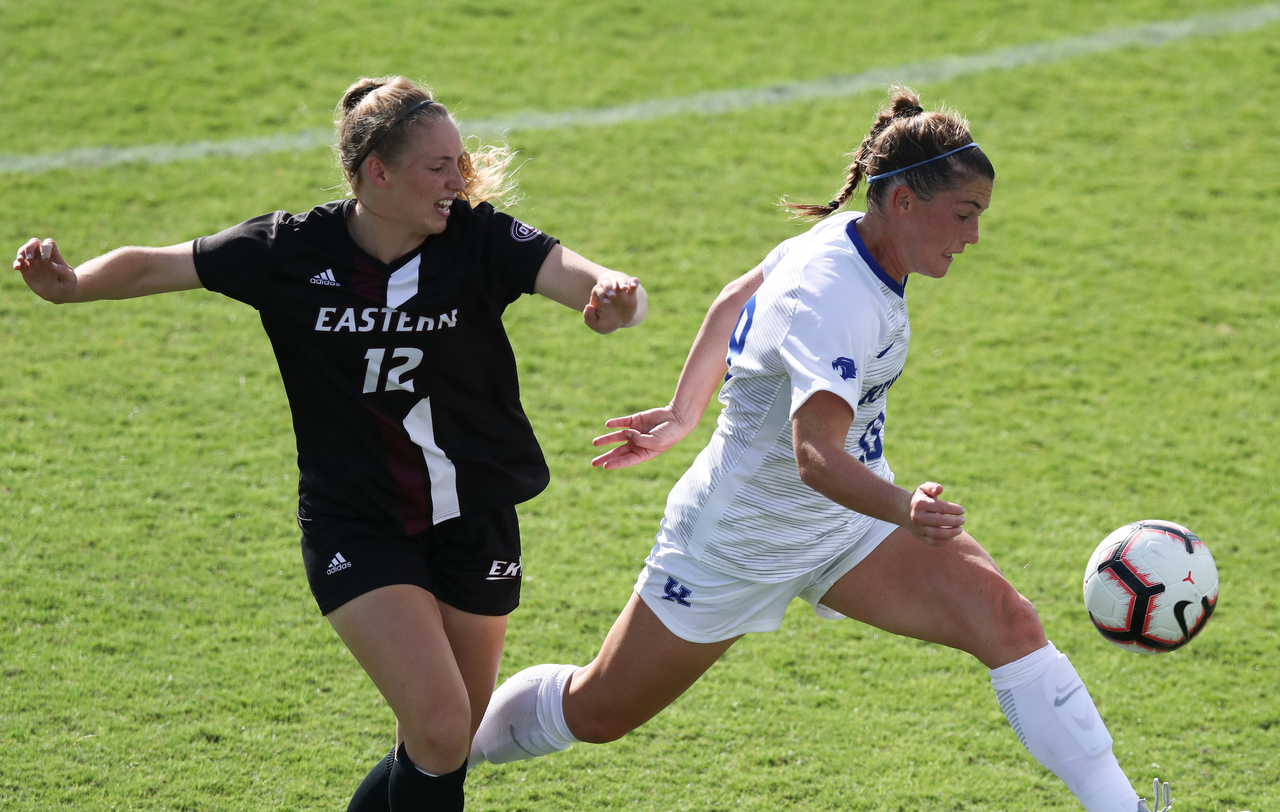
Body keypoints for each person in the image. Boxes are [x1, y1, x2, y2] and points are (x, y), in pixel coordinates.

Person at [468, 87, 1168, 812]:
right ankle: (440, 758)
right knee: (598, 710)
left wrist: (686, 411)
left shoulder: (852, 245)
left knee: (1007, 620)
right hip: (739, 540)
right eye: (964, 215)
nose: (973, 237)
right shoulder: (835, 297)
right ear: (902, 202)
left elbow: (738, 295)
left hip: (844, 523)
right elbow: (814, 455)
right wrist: (907, 508)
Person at [12, 75, 646, 812]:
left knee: (447, 739)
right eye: (438, 166)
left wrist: (612, 302)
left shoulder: (479, 239)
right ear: (378, 172)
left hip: (475, 515)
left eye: (460, 159)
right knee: (440, 730)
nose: (459, 178)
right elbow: (159, 262)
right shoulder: (287, 250)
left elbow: (589, 283)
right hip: (358, 521)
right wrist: (73, 286)